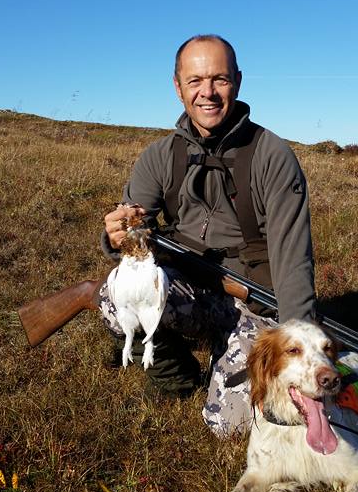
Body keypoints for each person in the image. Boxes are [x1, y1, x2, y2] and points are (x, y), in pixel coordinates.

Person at [100, 34, 316, 435]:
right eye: (195, 80)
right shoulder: (159, 156)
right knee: (112, 297)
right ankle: (175, 378)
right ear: (177, 86)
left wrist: (299, 349)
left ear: (237, 80)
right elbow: (133, 229)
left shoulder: (272, 156)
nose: (208, 93)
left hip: (253, 304)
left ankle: (228, 350)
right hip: (187, 285)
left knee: (228, 426)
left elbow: (294, 261)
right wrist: (116, 236)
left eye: (219, 79)